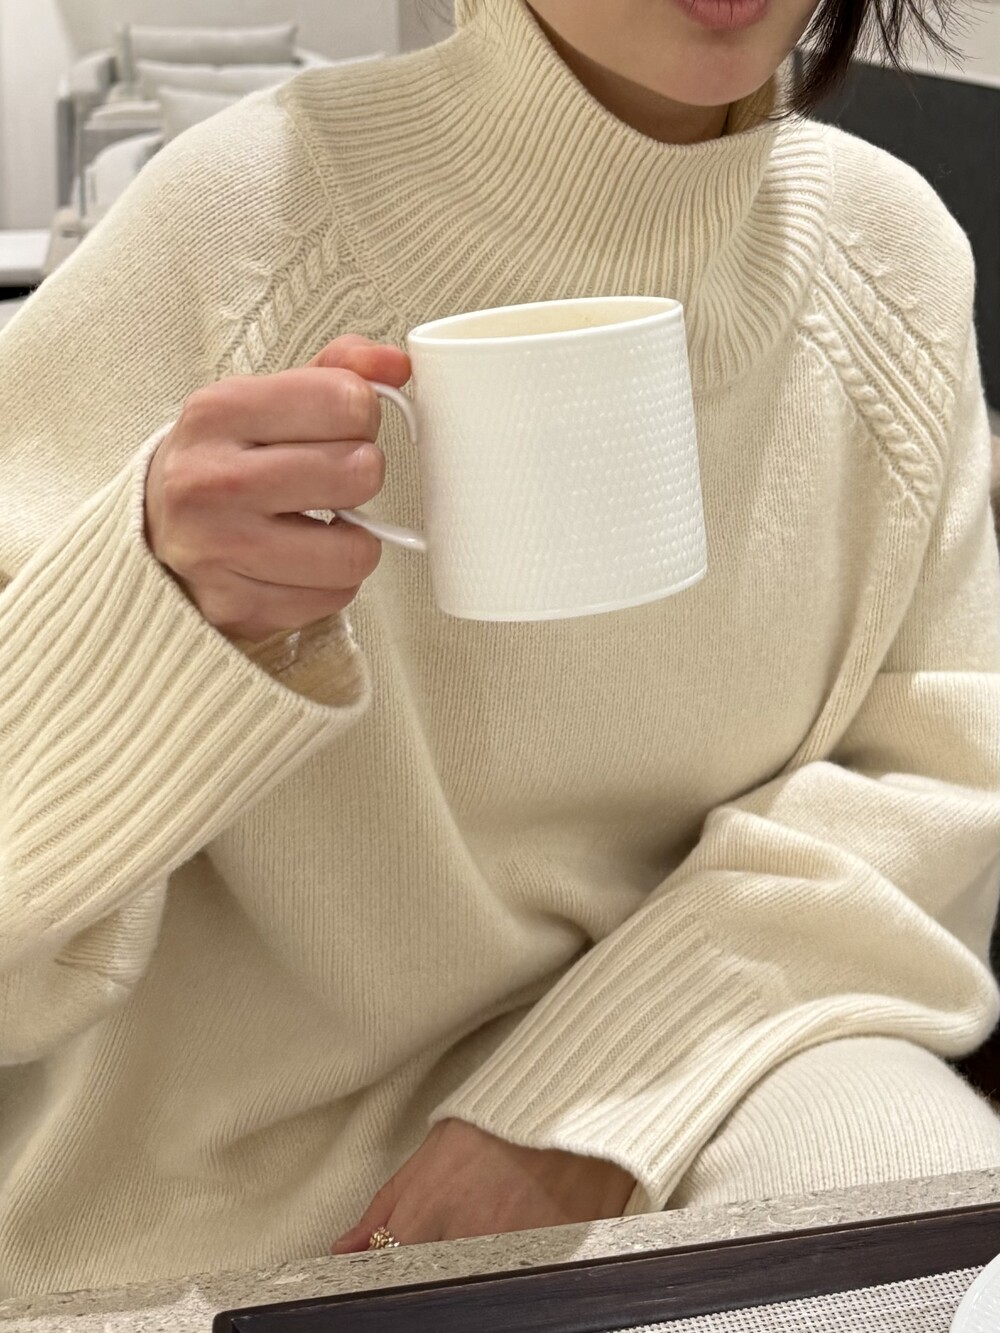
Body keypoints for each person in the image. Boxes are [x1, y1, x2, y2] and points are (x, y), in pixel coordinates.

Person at [0, 0, 998, 1300]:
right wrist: (155, 603)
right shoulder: (245, 217)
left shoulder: (891, 249)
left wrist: (581, 1110)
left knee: (921, 1219)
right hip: (205, 1197)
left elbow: (940, 770)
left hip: (708, 1049)